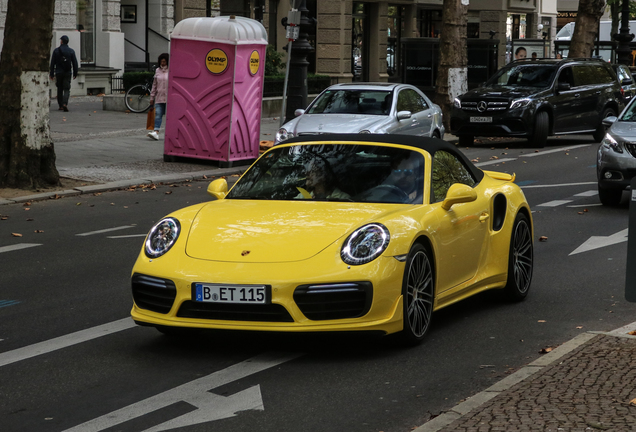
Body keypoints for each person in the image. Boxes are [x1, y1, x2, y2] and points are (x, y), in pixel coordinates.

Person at [49, 35, 78, 112]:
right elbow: (75, 63)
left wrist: (51, 73)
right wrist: (75, 73)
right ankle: (65, 103)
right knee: (66, 89)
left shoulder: (56, 51)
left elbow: (52, 63)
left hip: (58, 72)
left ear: (61, 41)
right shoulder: (71, 51)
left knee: (59, 89)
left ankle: (60, 105)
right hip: (67, 72)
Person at [148, 53, 169, 140]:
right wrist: (152, 97)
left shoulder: (172, 70)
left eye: (164, 61)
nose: (162, 63)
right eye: (161, 61)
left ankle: (171, 133)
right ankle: (156, 132)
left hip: (169, 99)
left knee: (170, 117)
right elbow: (154, 85)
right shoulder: (157, 70)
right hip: (159, 97)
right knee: (158, 115)